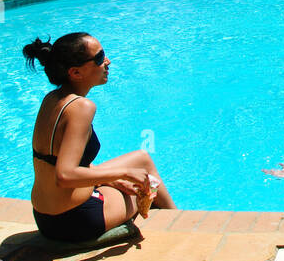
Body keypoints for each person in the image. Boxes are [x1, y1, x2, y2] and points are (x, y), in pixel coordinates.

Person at [23, 32, 176, 242]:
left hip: (45, 217)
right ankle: (179, 228)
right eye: (99, 57)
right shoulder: (82, 107)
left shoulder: (52, 99)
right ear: (76, 72)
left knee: (142, 159)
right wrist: (121, 174)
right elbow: (64, 175)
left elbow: (53, 163)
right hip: (74, 219)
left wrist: (114, 180)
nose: (107, 61)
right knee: (145, 188)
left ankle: (176, 220)